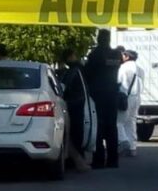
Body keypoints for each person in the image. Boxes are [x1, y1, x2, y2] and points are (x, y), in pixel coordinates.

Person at [84, 28, 121, 168]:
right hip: (112, 94)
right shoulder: (116, 54)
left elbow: (87, 73)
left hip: (98, 94)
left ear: (98, 39)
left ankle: (99, 160)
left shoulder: (95, 54)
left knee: (98, 127)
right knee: (112, 127)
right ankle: (113, 160)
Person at [60, 48, 91, 172]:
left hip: (71, 104)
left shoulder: (71, 71)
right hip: (77, 105)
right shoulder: (77, 70)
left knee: (73, 134)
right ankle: (78, 161)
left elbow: (63, 88)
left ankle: (75, 160)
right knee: (77, 134)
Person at [117, 49, 144, 157]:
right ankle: (132, 147)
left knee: (118, 122)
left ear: (127, 57)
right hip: (137, 97)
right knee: (131, 121)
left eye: (123, 55)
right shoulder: (140, 69)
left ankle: (124, 142)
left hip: (125, 97)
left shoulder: (123, 67)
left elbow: (119, 82)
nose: (121, 57)